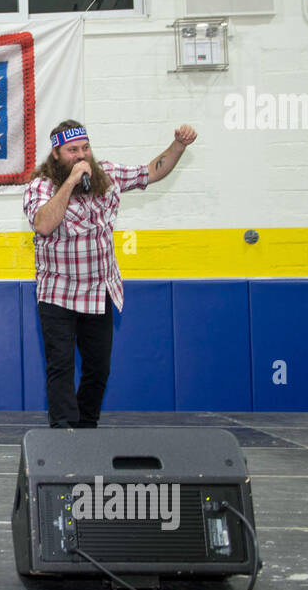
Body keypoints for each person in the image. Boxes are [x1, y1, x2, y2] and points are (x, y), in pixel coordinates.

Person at [24, 120, 197, 428]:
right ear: (56, 154)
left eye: (85, 148)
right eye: (72, 151)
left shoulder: (106, 175)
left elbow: (151, 172)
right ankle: (63, 436)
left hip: (99, 292)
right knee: (60, 367)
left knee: (98, 369)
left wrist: (179, 146)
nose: (81, 156)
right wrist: (70, 183)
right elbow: (43, 225)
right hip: (58, 294)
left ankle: (87, 428)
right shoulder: (41, 187)